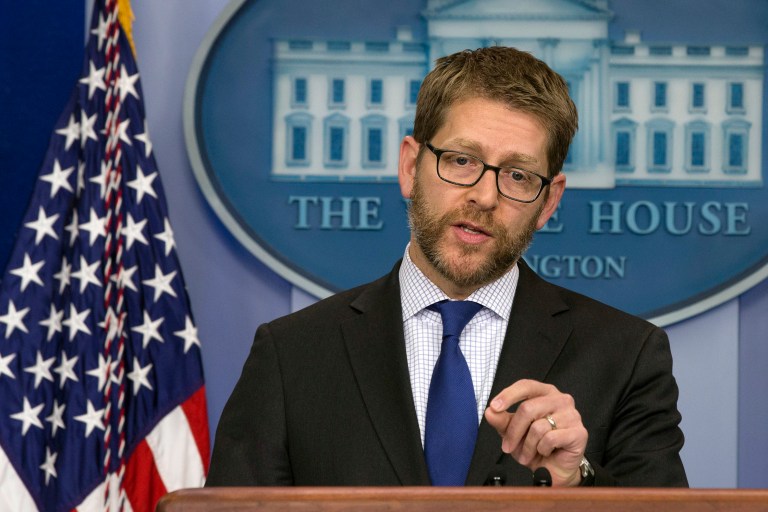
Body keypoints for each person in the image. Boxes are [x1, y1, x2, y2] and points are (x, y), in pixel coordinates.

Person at [206, 46, 687, 487]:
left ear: (547, 202)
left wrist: (575, 479)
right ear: (410, 166)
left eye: (517, 175)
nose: (484, 195)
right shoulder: (292, 355)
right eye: (461, 160)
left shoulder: (626, 357)